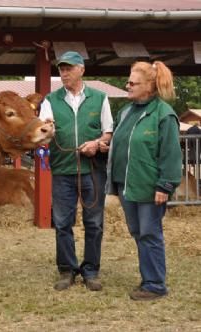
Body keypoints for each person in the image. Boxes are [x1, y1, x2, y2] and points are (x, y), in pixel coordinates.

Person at [105, 61, 181, 301]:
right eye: (128, 81)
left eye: (133, 83)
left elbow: (170, 153)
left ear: (149, 86)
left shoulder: (164, 114)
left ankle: (156, 285)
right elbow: (120, 144)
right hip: (128, 185)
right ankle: (149, 277)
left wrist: (165, 185)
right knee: (139, 233)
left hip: (150, 187)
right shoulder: (126, 112)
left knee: (150, 233)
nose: (127, 86)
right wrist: (100, 144)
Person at [39, 51, 113, 291]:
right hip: (63, 170)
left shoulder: (100, 98)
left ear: (81, 69)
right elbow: (44, 130)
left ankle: (91, 270)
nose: (64, 73)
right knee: (62, 223)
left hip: (92, 170)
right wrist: (45, 132)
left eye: (69, 68)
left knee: (94, 223)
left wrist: (96, 144)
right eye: (61, 69)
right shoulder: (50, 100)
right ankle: (67, 270)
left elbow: (108, 133)